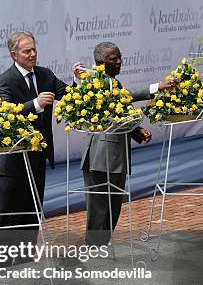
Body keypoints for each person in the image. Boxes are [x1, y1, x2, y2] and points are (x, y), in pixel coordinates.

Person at [74, 42, 176, 246]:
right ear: (101, 64)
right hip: (100, 156)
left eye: (120, 57)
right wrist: (156, 87)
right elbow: (122, 97)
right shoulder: (97, 81)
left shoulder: (114, 82)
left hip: (117, 156)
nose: (119, 62)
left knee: (113, 207)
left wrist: (137, 132)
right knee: (98, 209)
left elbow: (118, 114)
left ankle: (103, 247)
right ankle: (94, 250)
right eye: (114, 59)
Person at [0, 31, 68, 249]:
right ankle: (0, 268)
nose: (33, 54)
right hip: (13, 162)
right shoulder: (4, 81)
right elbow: (6, 114)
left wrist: (76, 79)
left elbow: (67, 93)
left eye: (34, 49)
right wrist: (35, 104)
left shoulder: (45, 75)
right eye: (27, 51)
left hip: (37, 158)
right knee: (7, 219)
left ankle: (25, 264)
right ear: (14, 55)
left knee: (32, 216)